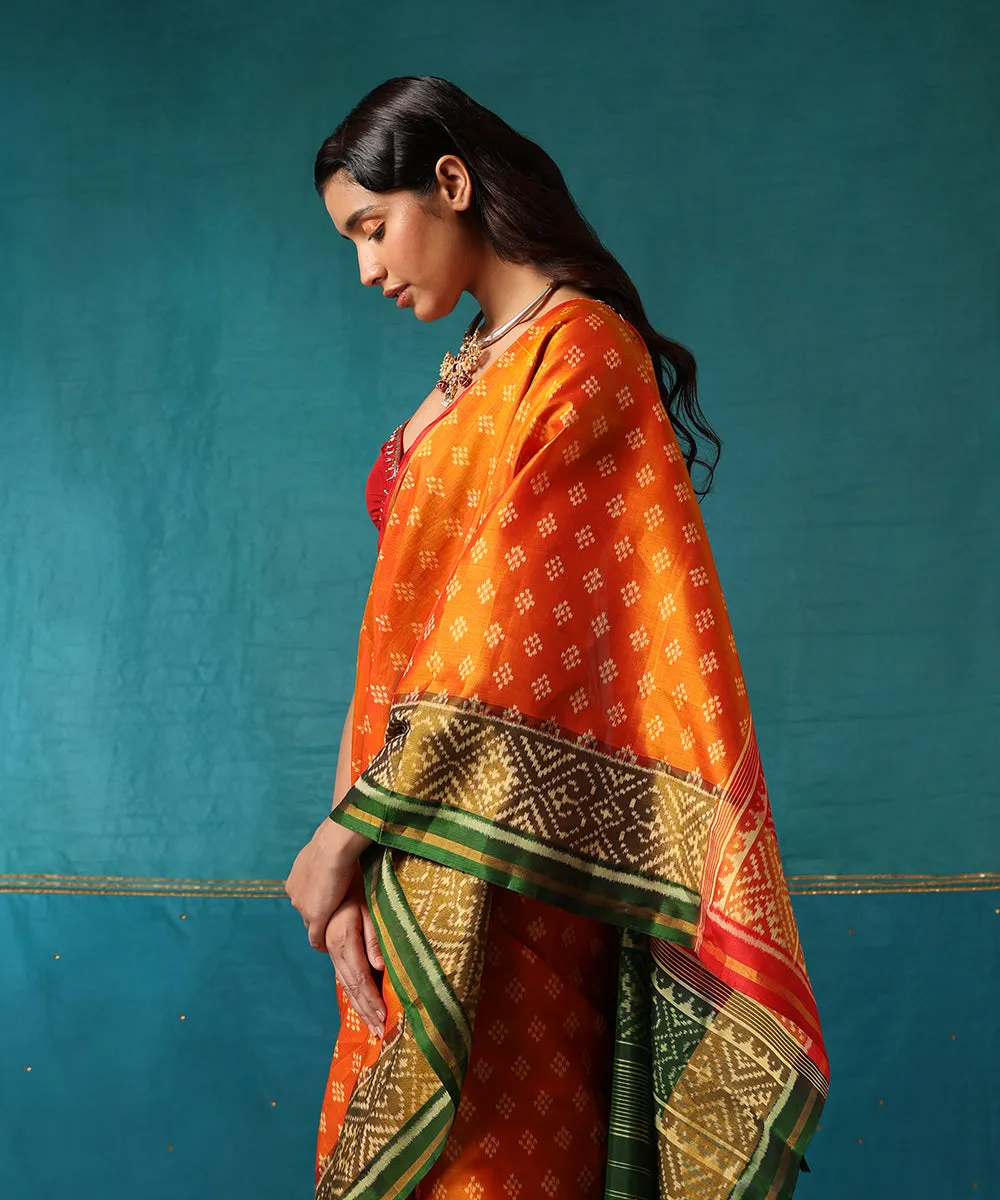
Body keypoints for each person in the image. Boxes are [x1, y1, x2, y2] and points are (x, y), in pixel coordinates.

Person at [285, 75, 827, 1200]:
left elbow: (505, 638)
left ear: (449, 183)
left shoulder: (578, 356)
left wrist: (347, 833)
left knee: (495, 1166)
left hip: (509, 856)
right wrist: (359, 842)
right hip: (410, 829)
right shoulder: (479, 362)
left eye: (373, 230)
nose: (368, 270)